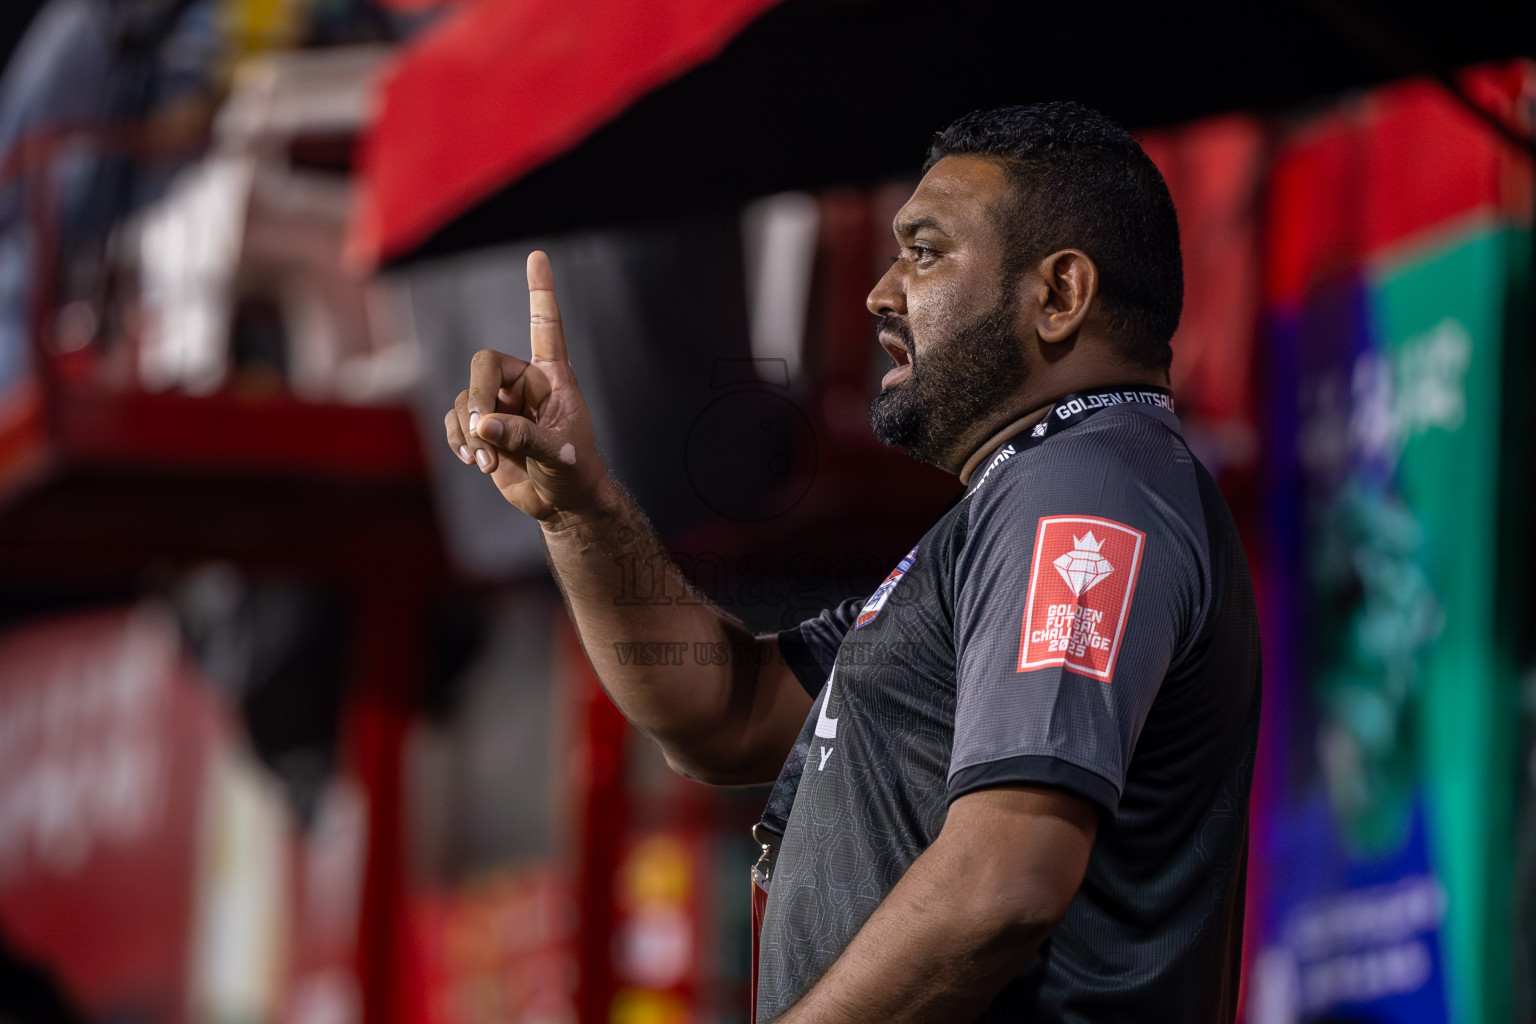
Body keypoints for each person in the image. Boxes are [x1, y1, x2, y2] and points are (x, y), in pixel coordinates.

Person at [443, 102, 1261, 1023]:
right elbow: (726, 711)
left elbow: (1007, 880)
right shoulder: (1015, 503)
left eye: (924, 253)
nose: (881, 292)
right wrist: (579, 504)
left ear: (1060, 294)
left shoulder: (1085, 489)